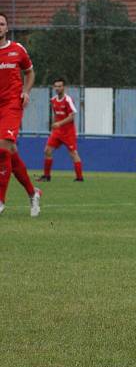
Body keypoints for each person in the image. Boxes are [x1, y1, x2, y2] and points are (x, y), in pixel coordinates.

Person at [0, 12, 41, 217]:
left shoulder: (17, 50)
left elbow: (30, 72)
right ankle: (33, 193)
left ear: (7, 28)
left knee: (3, 148)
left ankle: (0, 200)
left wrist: (26, 91)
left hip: (11, 106)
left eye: (2, 24)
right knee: (10, 152)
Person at [36, 77, 84, 182]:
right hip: (57, 132)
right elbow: (56, 114)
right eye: (56, 86)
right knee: (47, 151)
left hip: (68, 132)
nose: (57, 88)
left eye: (60, 86)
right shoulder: (53, 100)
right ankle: (47, 176)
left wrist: (59, 123)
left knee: (73, 154)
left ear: (64, 87)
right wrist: (54, 124)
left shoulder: (68, 99)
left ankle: (79, 178)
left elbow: (72, 116)